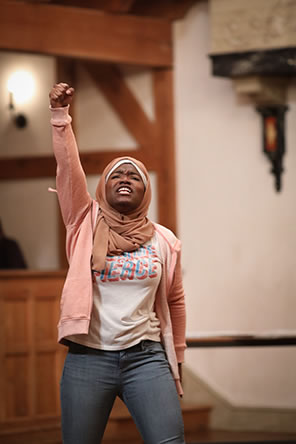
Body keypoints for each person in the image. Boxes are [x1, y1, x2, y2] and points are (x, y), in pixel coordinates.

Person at [49, 83, 186, 444]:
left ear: (146, 191)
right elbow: (68, 168)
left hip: (147, 357)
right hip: (88, 359)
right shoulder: (83, 221)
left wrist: (178, 356)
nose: (125, 180)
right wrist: (60, 117)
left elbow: (175, 300)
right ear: (103, 188)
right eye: (116, 176)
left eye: (134, 177)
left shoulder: (165, 240)